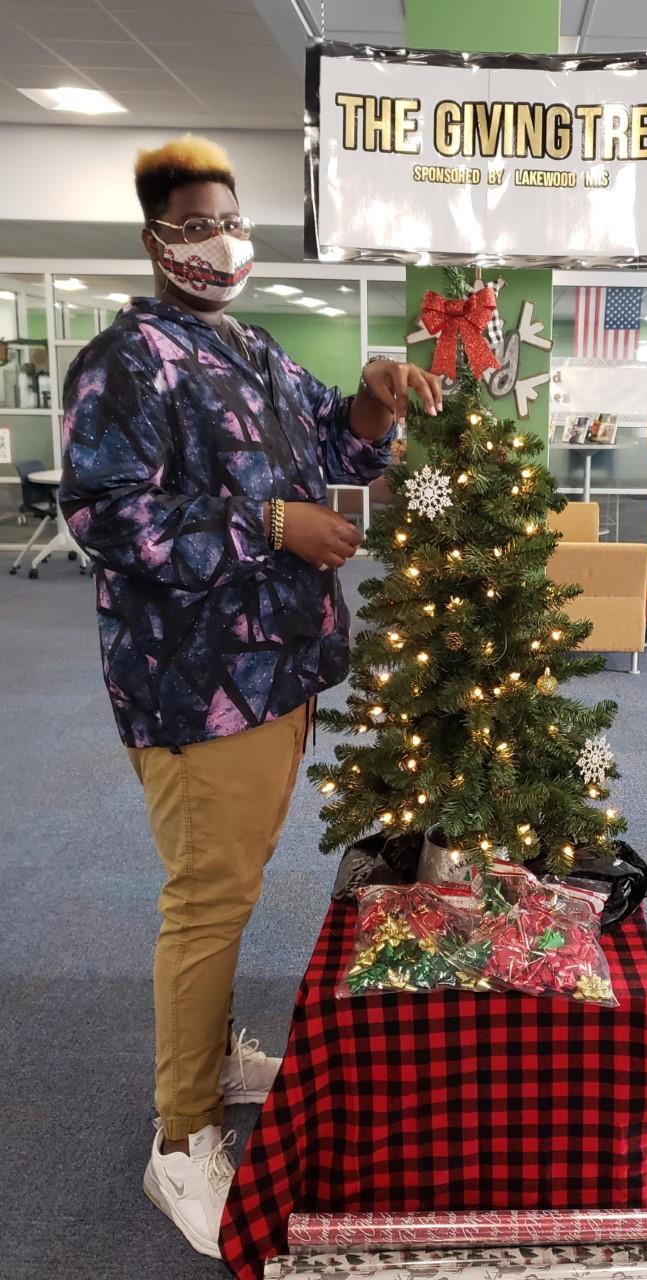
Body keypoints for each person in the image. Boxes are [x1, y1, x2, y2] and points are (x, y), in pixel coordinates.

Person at [59, 135, 443, 1257]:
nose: (219, 240)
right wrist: (271, 523)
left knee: (234, 876)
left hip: (279, 664)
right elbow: (105, 517)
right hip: (195, 680)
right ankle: (180, 1138)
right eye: (193, 224)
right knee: (209, 895)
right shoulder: (126, 362)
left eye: (230, 220)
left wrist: (371, 406)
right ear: (155, 240)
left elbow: (335, 440)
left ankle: (214, 1051)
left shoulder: (249, 347)